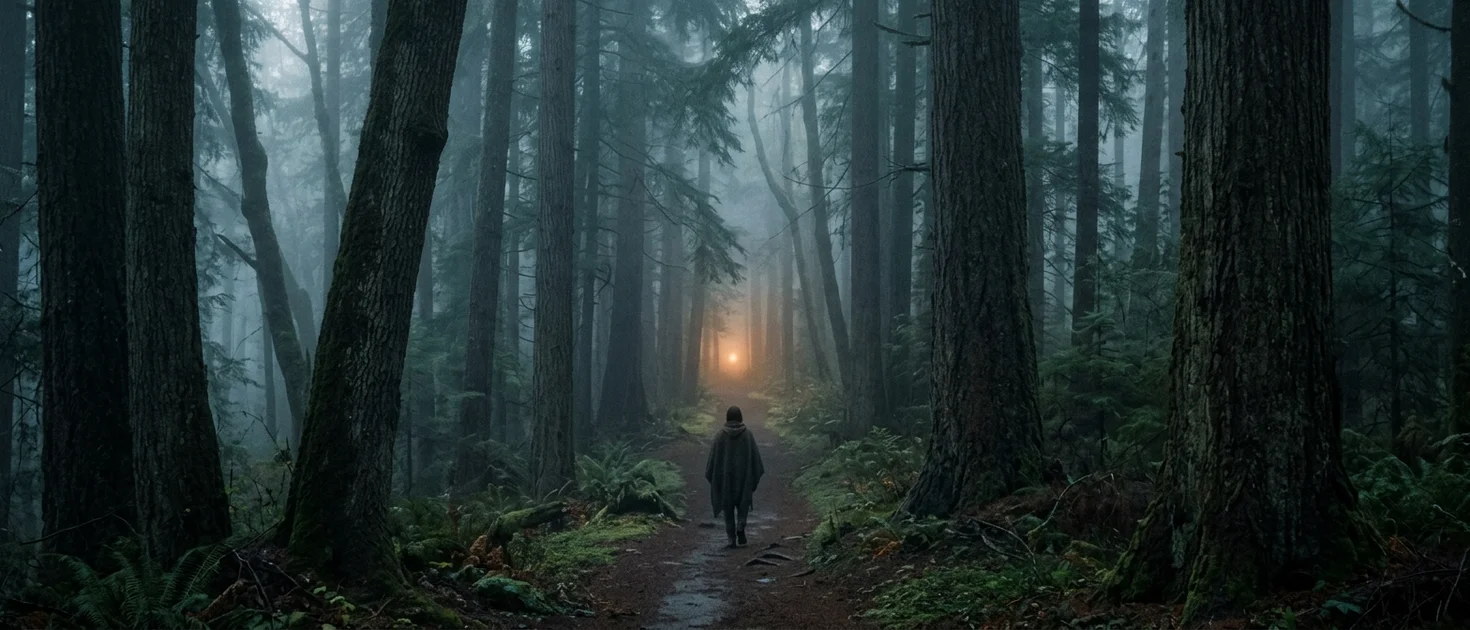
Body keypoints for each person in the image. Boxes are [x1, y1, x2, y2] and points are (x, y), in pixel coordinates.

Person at [704, 405, 765, 548]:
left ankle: (731, 538)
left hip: (726, 480)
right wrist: (752, 476)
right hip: (744, 479)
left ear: (727, 417)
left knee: (728, 509)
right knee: (743, 504)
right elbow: (756, 460)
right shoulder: (747, 435)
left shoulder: (720, 436)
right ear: (740, 417)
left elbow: (712, 461)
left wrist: (716, 478)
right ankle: (741, 525)